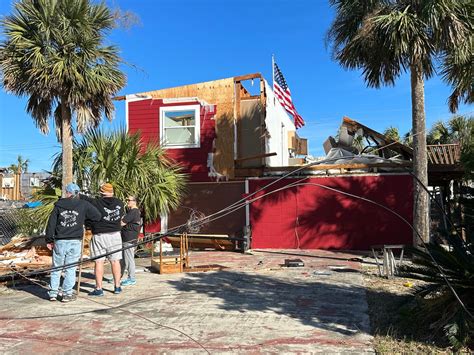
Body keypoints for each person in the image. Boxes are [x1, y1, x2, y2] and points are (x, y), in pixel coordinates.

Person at [46, 183, 101, 302]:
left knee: (57, 268)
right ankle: (66, 294)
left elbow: (51, 224)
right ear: (77, 193)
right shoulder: (83, 204)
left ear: (67, 192)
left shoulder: (58, 205)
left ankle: (53, 293)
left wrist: (49, 240)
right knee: (70, 268)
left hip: (60, 240)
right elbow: (97, 216)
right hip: (75, 240)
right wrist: (84, 220)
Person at [80, 183, 124, 296]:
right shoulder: (120, 203)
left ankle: (99, 288)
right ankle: (117, 286)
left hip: (100, 235)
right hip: (115, 235)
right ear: (112, 192)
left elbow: (85, 198)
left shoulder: (96, 202)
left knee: (99, 262)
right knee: (115, 261)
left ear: (101, 192)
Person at [120, 195, 141, 286]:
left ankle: (131, 278)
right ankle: (118, 275)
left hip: (129, 239)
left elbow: (122, 222)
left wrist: (122, 220)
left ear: (134, 201)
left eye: (129, 200)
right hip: (126, 238)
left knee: (129, 259)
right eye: (127, 199)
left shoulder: (134, 212)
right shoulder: (132, 212)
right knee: (123, 259)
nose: (127, 201)